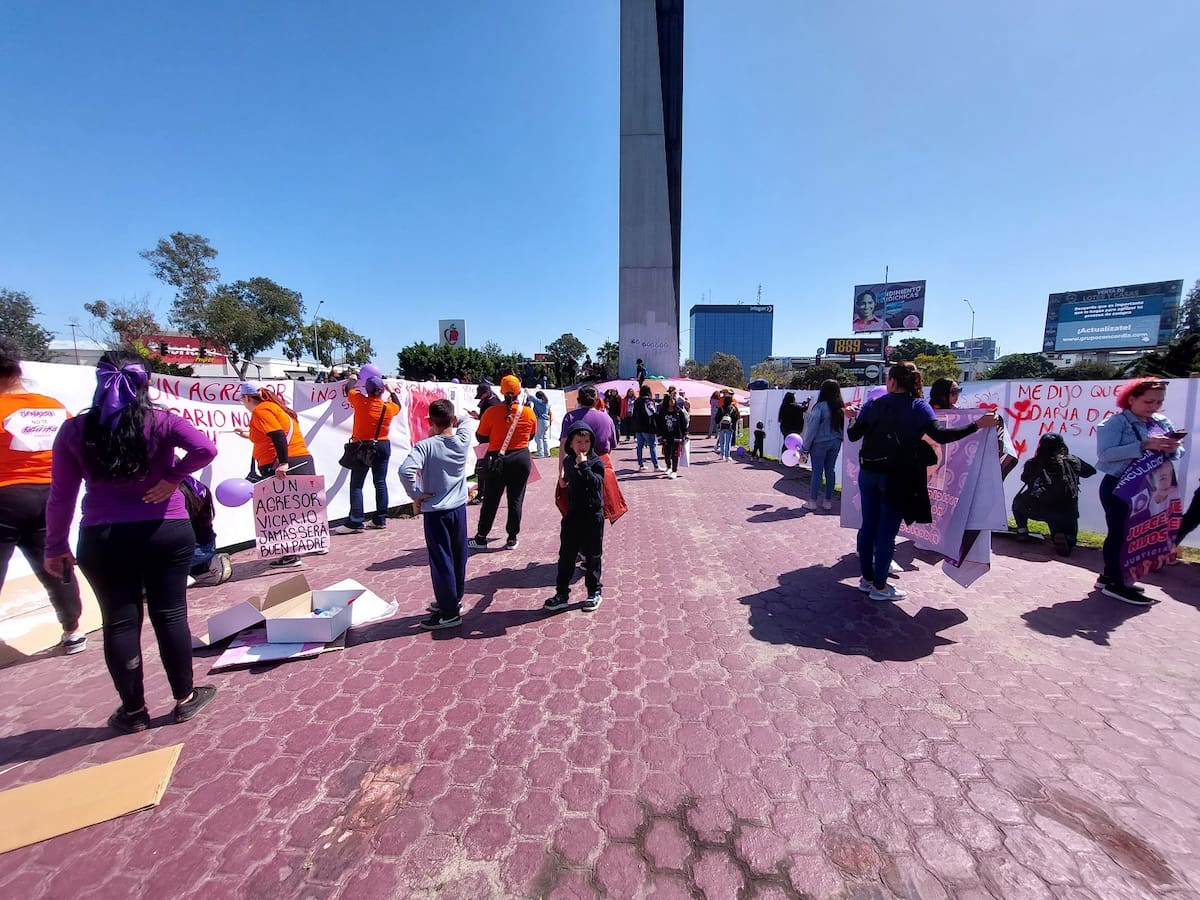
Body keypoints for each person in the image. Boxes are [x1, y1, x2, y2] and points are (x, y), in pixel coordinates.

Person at [44, 351, 218, 733]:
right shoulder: (161, 422)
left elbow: (61, 496)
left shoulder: (75, 430)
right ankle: (185, 698)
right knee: (170, 613)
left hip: (103, 537)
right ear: (145, 383)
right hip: (165, 531)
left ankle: (134, 711)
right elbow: (206, 449)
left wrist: (55, 545)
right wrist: (172, 477)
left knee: (119, 622)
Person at [847, 362, 997, 601]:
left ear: (892, 381)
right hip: (898, 478)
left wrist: (853, 417)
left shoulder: (873, 404)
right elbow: (941, 435)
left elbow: (854, 434)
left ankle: (866, 580)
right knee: (886, 532)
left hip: (869, 473)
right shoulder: (918, 407)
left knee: (869, 527)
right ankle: (879, 587)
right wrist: (977, 426)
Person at [0, 339, 85, 653]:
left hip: (5, 496)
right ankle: (73, 630)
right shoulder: (52, 406)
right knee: (56, 562)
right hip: (50, 496)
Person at [1095, 378, 1184, 605]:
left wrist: (1173, 447)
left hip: (1150, 486)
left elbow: (1177, 452)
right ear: (1131, 399)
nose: (1153, 407)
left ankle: (1112, 577)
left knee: (1136, 533)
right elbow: (1106, 454)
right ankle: (1115, 581)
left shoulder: (1161, 422)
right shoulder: (1114, 423)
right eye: (1148, 401)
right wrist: (1144, 445)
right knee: (1120, 533)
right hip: (1120, 486)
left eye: (1158, 402)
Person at [399, 399, 472, 630]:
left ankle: (449, 612)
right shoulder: (462, 439)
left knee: (441, 561)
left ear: (430, 422)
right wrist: (454, 417)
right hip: (459, 508)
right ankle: (453, 599)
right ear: (452, 420)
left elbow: (405, 470)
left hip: (436, 512)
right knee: (459, 556)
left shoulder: (425, 446)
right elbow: (467, 419)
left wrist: (416, 495)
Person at [235, 383, 315, 568]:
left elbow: (278, 435)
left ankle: (291, 555)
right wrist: (248, 434)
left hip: (282, 464)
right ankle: (314, 543)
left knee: (281, 511)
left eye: (242, 400)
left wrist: (284, 463)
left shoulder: (261, 410)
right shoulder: (277, 408)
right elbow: (272, 435)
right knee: (300, 507)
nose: (243, 404)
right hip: (301, 459)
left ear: (248, 398)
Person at [469, 375, 537, 551]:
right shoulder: (528, 412)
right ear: (519, 392)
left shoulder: (491, 412)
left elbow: (481, 436)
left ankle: (481, 537)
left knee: (491, 499)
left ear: (500, 390)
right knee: (516, 499)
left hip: (496, 458)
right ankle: (512, 538)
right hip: (521, 457)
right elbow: (531, 435)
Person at [544, 422, 605, 613]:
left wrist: (584, 465)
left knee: (592, 556)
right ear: (570, 443)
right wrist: (565, 479)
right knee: (566, 556)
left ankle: (594, 592)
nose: (583, 446)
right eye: (579, 441)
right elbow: (571, 479)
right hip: (573, 516)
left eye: (587, 441)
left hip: (592, 516)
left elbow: (595, 484)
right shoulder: (568, 461)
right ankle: (562, 593)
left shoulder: (595, 462)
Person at [333, 376, 399, 534]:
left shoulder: (360, 401)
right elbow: (398, 405)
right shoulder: (388, 407)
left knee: (357, 484)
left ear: (367, 390)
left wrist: (353, 378)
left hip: (363, 446)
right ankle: (380, 519)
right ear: (382, 391)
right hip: (382, 445)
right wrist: (392, 392)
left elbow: (348, 388)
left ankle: (355, 521)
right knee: (380, 482)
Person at [1011, 433, 1096, 556]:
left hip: (1037, 508)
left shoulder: (1033, 463)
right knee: (1065, 523)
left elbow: (1024, 479)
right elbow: (1090, 471)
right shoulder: (1071, 460)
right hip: (1067, 511)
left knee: (1018, 502)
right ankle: (1067, 538)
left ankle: (1022, 530)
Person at [557, 383, 627, 525]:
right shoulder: (606, 418)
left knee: (574, 510)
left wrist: (561, 472)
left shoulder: (570, 417)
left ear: (578, 399)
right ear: (596, 400)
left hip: (575, 464)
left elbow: (563, 445)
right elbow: (611, 447)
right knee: (598, 510)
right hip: (601, 466)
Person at [930, 378, 1018, 478]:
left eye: (959, 391)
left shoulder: (958, 414)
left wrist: (985, 417)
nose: (957, 395)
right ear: (941, 395)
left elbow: (969, 421)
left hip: (953, 471)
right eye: (953, 392)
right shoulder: (927, 414)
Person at [179, 476, 233, 586]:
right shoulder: (199, 488)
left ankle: (180, 576)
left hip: (186, 554)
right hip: (208, 546)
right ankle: (208, 564)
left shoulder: (173, 494)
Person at [802, 379, 846, 511]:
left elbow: (812, 429)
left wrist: (805, 447)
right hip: (836, 442)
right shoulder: (841, 408)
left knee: (817, 472)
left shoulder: (820, 407)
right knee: (830, 471)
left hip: (819, 443)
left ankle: (813, 501)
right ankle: (828, 501)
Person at [468, 380, 502, 504]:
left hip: (488, 439)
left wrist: (479, 417)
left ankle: (482, 494)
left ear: (486, 393)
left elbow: (490, 421)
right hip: (490, 438)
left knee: (482, 467)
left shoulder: (490, 403)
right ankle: (488, 492)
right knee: (488, 467)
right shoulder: (494, 400)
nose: (480, 398)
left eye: (481, 395)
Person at [656, 394, 689, 478]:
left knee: (675, 454)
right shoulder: (663, 412)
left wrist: (685, 434)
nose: (672, 401)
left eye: (673, 400)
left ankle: (674, 471)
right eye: (670, 400)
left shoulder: (679, 412)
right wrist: (659, 436)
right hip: (666, 436)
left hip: (676, 436)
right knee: (667, 453)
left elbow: (683, 424)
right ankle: (668, 467)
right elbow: (659, 424)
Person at [632, 385, 660, 471]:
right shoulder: (648, 401)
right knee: (652, 446)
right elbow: (652, 413)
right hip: (648, 426)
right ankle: (656, 466)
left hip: (638, 427)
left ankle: (641, 465)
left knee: (639, 446)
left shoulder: (637, 401)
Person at [715, 393, 738, 461]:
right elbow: (735, 418)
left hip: (722, 427)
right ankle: (727, 456)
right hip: (729, 427)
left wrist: (718, 423)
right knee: (728, 442)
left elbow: (717, 418)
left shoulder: (721, 408)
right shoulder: (733, 409)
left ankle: (722, 455)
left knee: (722, 441)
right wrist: (733, 427)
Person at [531, 390, 552, 457]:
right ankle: (547, 453)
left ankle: (540, 453)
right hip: (546, 421)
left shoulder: (539, 402)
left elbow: (531, 398)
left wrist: (526, 391)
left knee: (538, 437)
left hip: (541, 420)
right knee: (544, 437)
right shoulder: (547, 402)